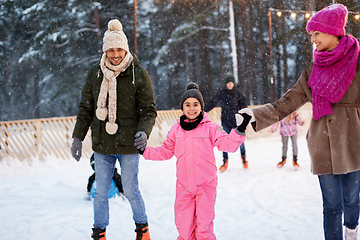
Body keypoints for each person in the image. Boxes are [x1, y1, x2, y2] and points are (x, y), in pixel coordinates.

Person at [238, 4, 360, 240]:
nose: (312, 39)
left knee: (353, 200)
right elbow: (288, 102)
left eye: (316, 33)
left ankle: (352, 230)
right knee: (332, 206)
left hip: (354, 140)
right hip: (323, 144)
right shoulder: (314, 70)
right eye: (311, 34)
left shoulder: (357, 62)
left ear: (333, 31)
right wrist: (254, 115)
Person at [70, 19, 157, 240]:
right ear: (105, 49)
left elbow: (148, 110)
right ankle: (99, 233)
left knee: (130, 189)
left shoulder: (139, 74)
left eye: (119, 49)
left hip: (129, 144)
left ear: (125, 48)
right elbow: (85, 109)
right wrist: (77, 138)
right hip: (102, 144)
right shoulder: (95, 74)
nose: (115, 54)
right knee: (100, 192)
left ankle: (142, 230)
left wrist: (143, 132)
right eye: (111, 49)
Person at [135, 82, 251, 240]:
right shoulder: (176, 130)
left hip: (206, 187)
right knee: (184, 228)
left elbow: (227, 145)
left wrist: (240, 130)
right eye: (187, 104)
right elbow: (165, 151)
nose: (191, 108)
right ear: (182, 108)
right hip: (184, 187)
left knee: (204, 228)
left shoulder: (210, 128)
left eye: (196, 104)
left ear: (202, 107)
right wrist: (145, 151)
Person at [204, 74, 248, 172]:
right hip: (226, 122)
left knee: (240, 142)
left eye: (231, 83)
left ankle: (244, 158)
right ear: (226, 84)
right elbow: (213, 102)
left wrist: (245, 119)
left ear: (233, 83)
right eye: (228, 83)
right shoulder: (222, 93)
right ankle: (225, 161)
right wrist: (204, 110)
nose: (230, 85)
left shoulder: (239, 93)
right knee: (224, 142)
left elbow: (245, 107)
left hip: (237, 122)